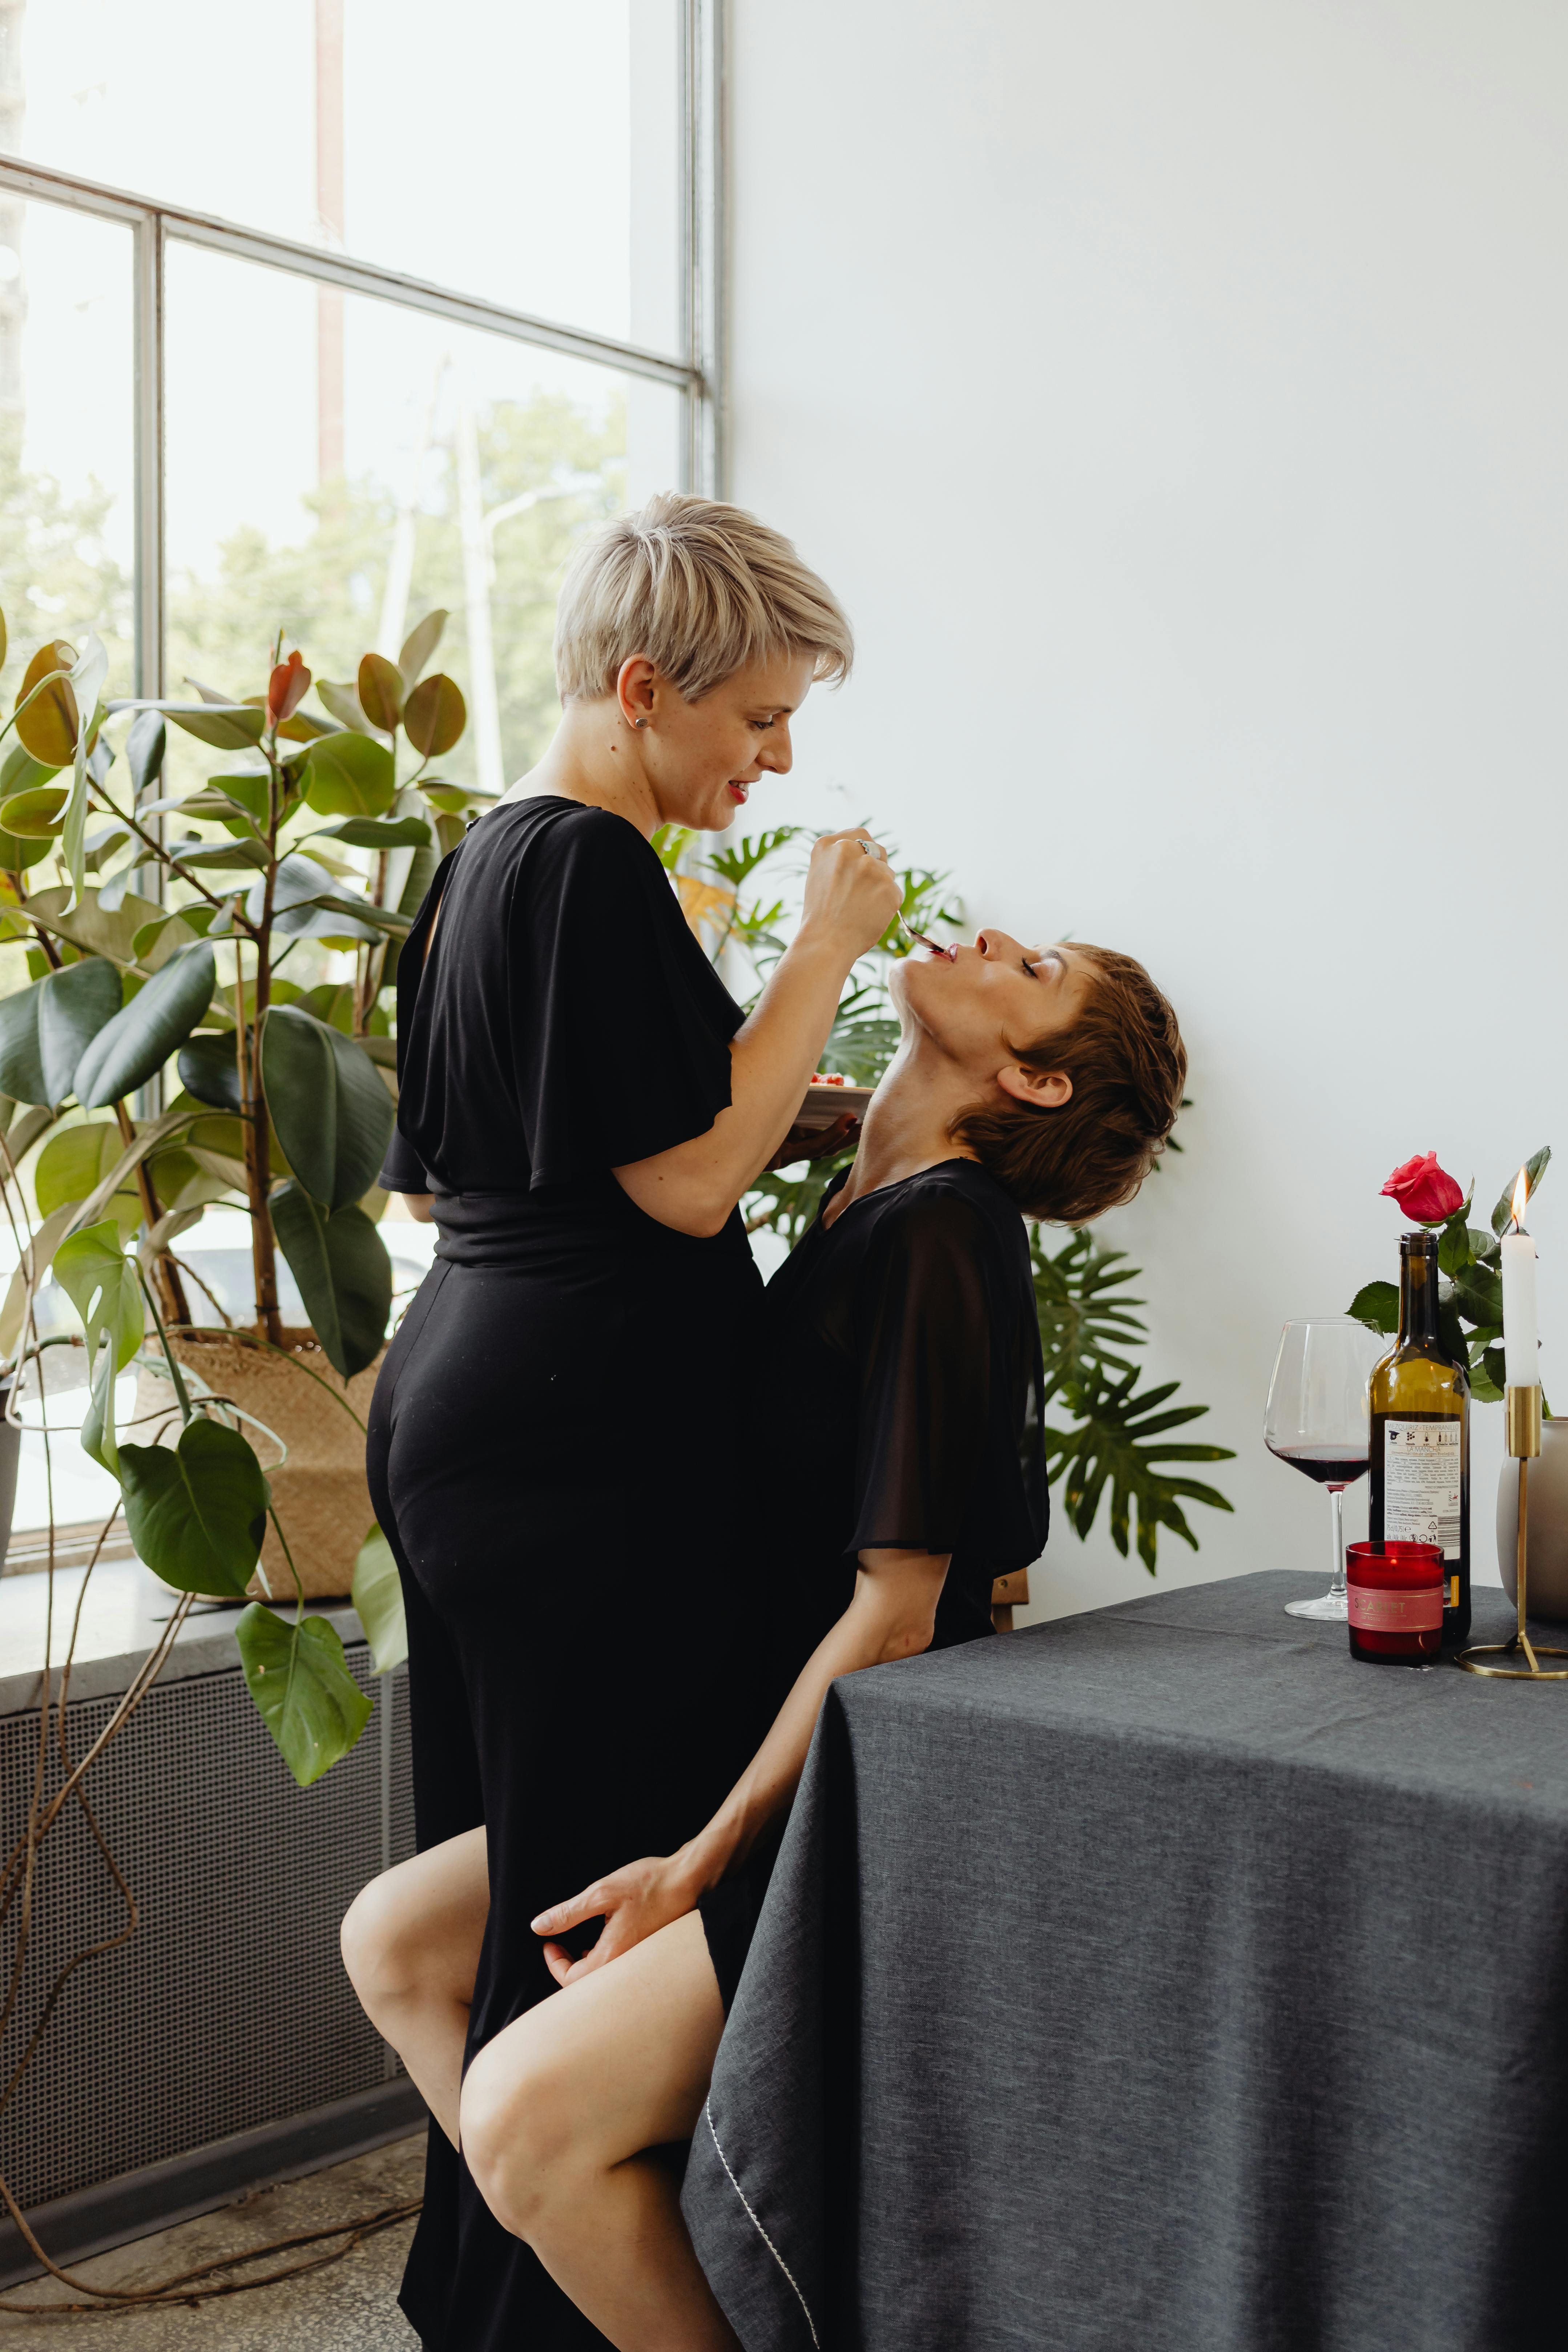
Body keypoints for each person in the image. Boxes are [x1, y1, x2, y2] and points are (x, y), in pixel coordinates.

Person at [357, 917, 1188, 2350]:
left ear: (1035, 1081)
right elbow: (680, 1133)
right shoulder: (869, 1186)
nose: (993, 938)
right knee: (401, 1943)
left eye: (1035, 971)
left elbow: (894, 1612)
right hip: (749, 1737)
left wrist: (696, 1862)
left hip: (863, 1811)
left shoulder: (939, 1234)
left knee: (521, 2117)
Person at [340, 493, 903, 2352]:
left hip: (478, 1394)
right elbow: (675, 1193)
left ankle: (525, 2271)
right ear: (646, 686)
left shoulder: (483, 862)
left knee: (546, 1845)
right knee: (616, 1880)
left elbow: (464, 1180)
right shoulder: (591, 866)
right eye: (756, 719)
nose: (778, 755)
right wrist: (823, 944)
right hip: (579, 1443)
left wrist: (761, 1108)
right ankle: (579, 2281)